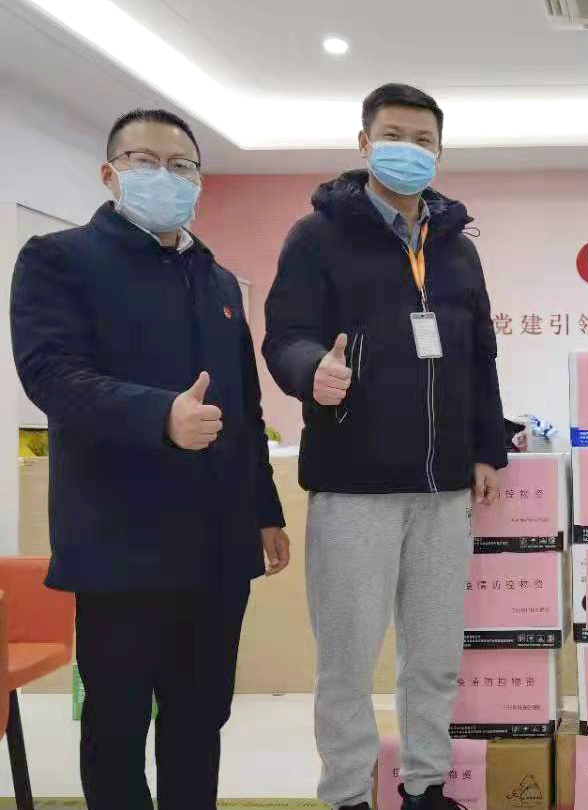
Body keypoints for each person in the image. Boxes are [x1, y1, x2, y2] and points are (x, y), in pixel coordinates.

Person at [10, 108, 289, 809]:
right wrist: (158, 414)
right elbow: (50, 375)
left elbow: (246, 409)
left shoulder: (218, 282)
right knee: (116, 724)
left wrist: (265, 511)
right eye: (144, 160)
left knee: (200, 721)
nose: (165, 175)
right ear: (110, 174)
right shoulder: (58, 259)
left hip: (217, 545)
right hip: (119, 542)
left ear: (199, 180)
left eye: (182, 165)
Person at [263, 83, 508, 810]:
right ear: (365, 143)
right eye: (394, 135)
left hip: (442, 491)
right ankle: (347, 796)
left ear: (440, 151)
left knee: (433, 657)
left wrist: (487, 449)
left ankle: (425, 786)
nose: (410, 150)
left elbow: (481, 356)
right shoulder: (317, 236)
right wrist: (313, 370)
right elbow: (284, 336)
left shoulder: (458, 249)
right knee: (347, 664)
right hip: (354, 486)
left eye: (424, 139)